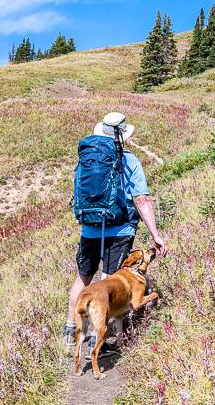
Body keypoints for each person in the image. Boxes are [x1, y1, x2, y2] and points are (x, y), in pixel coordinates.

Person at [63, 112, 168, 352]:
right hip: (120, 228)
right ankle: (95, 339)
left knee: (82, 279)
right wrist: (155, 234)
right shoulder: (129, 160)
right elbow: (141, 200)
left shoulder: (87, 159)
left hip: (90, 228)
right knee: (108, 282)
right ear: (123, 136)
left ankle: (71, 331)